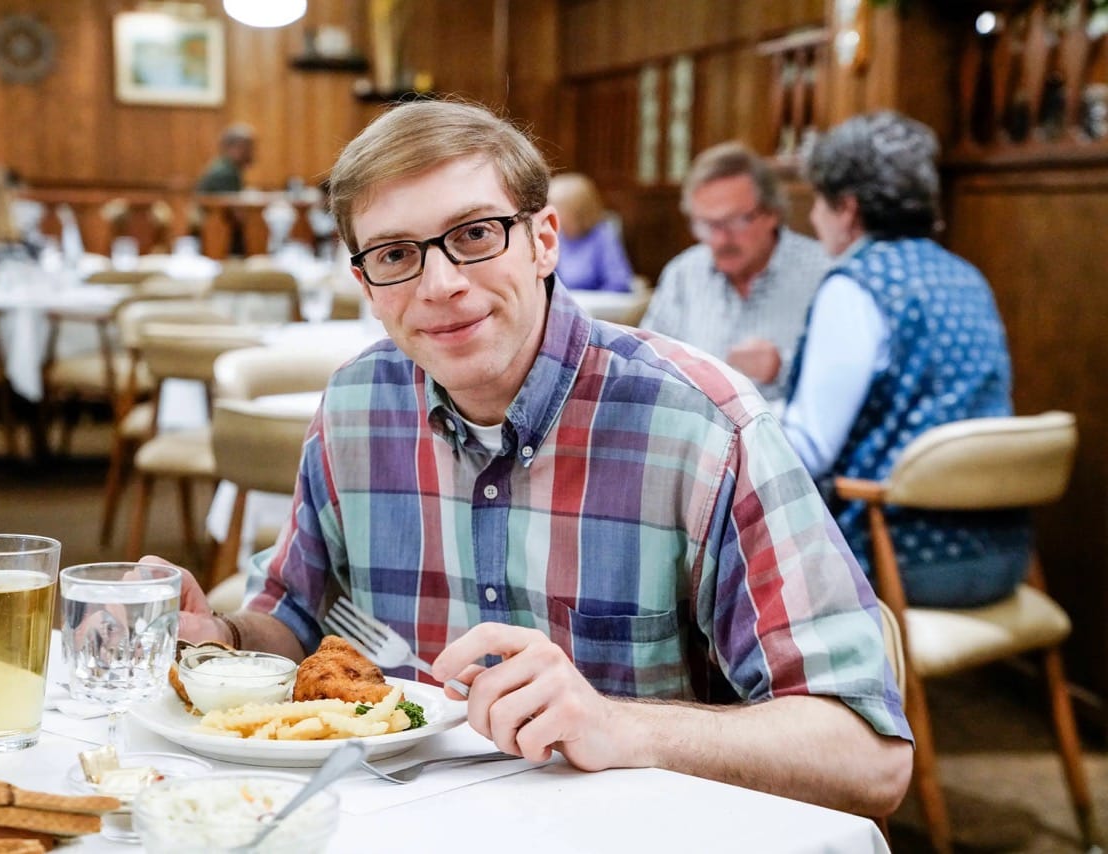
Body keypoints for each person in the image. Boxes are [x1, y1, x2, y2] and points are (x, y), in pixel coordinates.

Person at [160, 100, 912, 817]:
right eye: (395, 254)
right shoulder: (354, 409)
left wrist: (623, 727)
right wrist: (220, 640)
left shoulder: (704, 427)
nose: (441, 284)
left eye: (477, 234)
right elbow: (290, 620)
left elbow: (868, 758)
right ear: (366, 285)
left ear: (544, 239)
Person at [781, 110, 1024, 608]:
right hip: (1006, 550)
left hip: (900, 556)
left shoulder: (857, 285)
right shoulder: (963, 274)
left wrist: (738, 418)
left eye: (818, 203)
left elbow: (808, 448)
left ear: (846, 208)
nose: (812, 218)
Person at [640, 142, 829, 404]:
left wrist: (782, 369)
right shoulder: (684, 274)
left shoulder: (823, 274)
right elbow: (646, 365)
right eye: (707, 224)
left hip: (785, 439)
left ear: (772, 213)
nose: (720, 240)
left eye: (734, 222)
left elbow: (850, 386)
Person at [547, 172, 634, 292]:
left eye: (558, 208)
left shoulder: (602, 235)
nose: (551, 214)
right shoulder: (555, 236)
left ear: (577, 211)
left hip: (596, 308)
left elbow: (619, 282)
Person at [196, 123, 256, 193]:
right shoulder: (224, 173)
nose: (251, 153)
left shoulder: (228, 167)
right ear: (232, 148)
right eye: (247, 148)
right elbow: (232, 202)